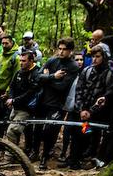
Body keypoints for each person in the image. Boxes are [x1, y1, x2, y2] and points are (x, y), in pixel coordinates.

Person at [31, 37, 80, 169]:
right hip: (43, 101)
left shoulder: (73, 66)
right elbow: (37, 77)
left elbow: (62, 87)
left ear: (70, 51)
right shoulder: (52, 60)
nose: (61, 52)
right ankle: (35, 152)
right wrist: (53, 77)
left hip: (58, 104)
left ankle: (45, 157)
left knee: (50, 130)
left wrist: (47, 79)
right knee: (38, 129)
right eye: (60, 48)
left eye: (64, 49)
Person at [66, 44, 113, 168]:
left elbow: (109, 93)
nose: (94, 59)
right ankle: (74, 160)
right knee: (79, 134)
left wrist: (92, 111)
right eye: (93, 56)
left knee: (93, 136)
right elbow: (79, 90)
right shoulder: (87, 71)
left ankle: (89, 159)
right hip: (83, 113)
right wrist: (82, 110)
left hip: (98, 114)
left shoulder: (110, 73)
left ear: (103, 57)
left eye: (97, 56)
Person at [4, 50, 41, 148]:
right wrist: (11, 98)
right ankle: (20, 152)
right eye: (20, 60)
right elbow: (12, 86)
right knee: (16, 132)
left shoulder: (36, 73)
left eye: (24, 61)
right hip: (15, 107)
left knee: (12, 131)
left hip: (27, 109)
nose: (21, 63)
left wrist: (14, 100)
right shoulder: (19, 72)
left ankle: (9, 157)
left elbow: (30, 93)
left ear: (31, 60)